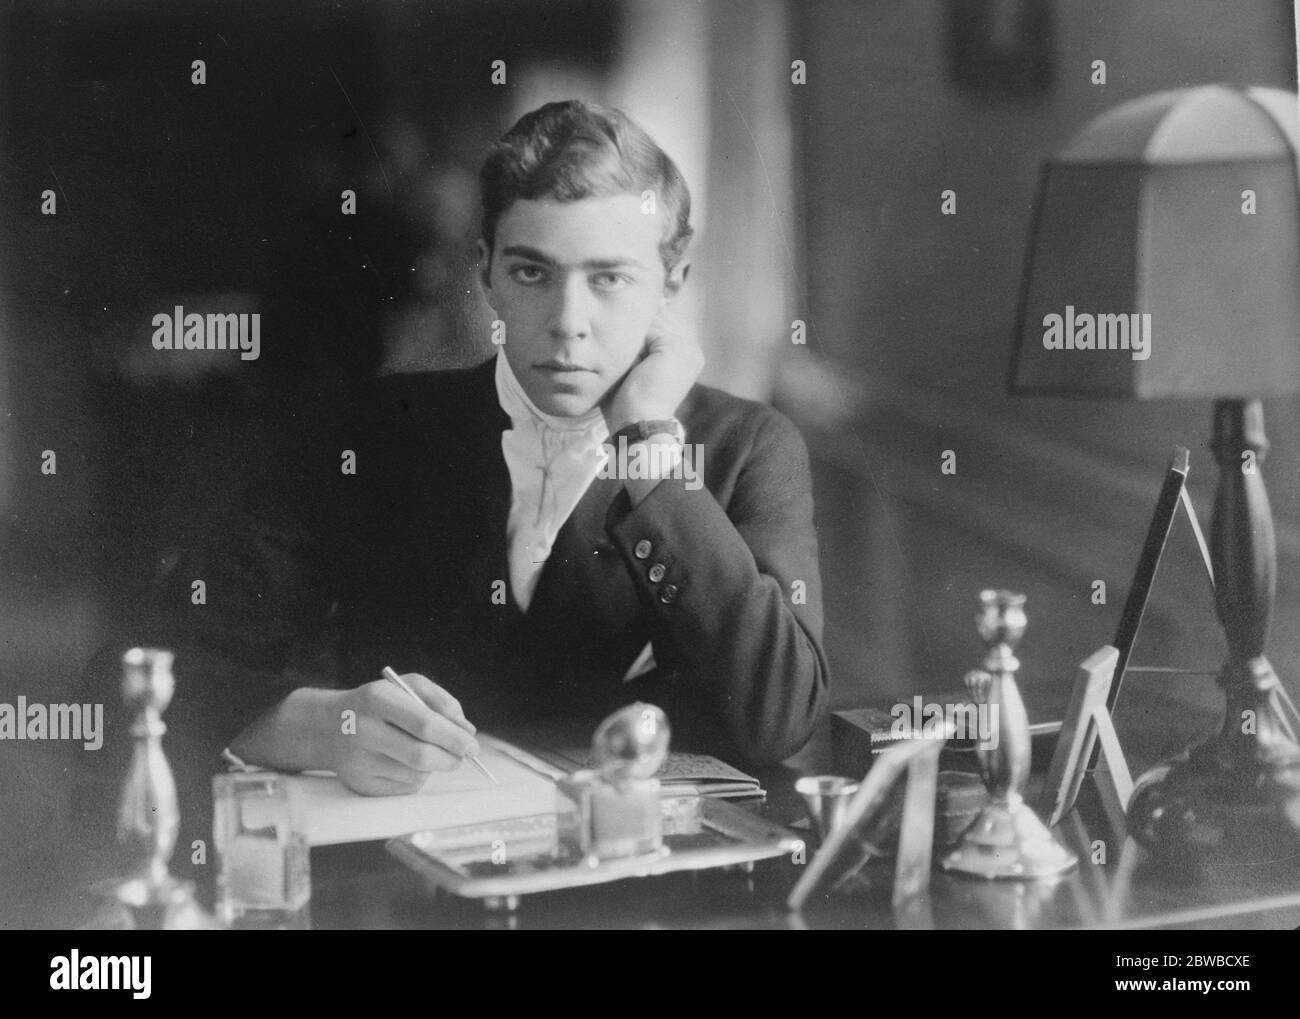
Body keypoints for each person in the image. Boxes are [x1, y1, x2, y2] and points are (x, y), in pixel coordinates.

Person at [91, 100, 829, 804]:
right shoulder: (373, 432)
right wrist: (314, 724)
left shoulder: (747, 448)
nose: (568, 324)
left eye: (609, 278)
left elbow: (781, 718)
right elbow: (133, 668)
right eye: (532, 273)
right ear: (485, 273)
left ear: (672, 283)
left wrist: (644, 445)